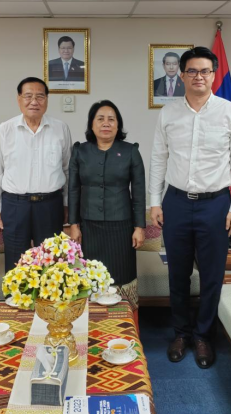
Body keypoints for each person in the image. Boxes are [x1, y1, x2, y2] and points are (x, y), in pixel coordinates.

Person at [149, 46, 231, 369]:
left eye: (205, 71)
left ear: (214, 74)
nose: (199, 77)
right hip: (176, 202)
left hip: (216, 205)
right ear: (182, 75)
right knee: (177, 274)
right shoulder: (169, 112)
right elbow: (158, 159)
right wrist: (154, 201)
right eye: (192, 71)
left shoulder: (230, 112)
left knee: (211, 276)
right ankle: (181, 333)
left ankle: (204, 336)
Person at [68, 100, 146, 312]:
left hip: (121, 227)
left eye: (111, 119)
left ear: (118, 125)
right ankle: (93, 325)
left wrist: (139, 227)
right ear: (91, 125)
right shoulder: (80, 152)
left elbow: (138, 192)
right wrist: (73, 224)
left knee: (121, 275)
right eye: (100, 119)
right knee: (90, 276)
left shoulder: (131, 151)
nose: (106, 123)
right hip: (88, 226)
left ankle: (124, 326)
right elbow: (73, 190)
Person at [0, 77, 73, 271]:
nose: (34, 101)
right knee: (16, 263)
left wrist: (67, 203)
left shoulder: (61, 128)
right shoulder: (5, 130)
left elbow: (68, 169)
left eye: (40, 96)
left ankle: (49, 302)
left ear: (47, 100)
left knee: (51, 263)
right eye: (28, 96)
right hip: (15, 205)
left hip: (50, 205)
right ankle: (14, 301)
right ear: (19, 99)